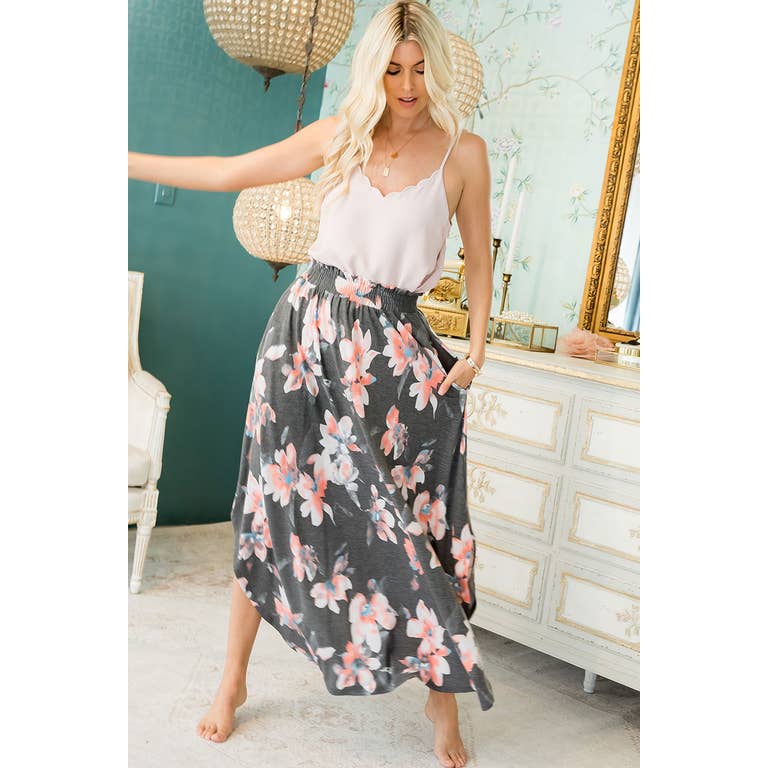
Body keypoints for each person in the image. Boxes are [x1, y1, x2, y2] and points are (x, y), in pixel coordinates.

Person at [129, 2, 494, 766]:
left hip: (393, 362)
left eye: (419, 69)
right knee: (269, 505)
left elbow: (479, 258)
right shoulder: (339, 137)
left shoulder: (464, 154)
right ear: (372, 70)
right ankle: (231, 681)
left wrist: (480, 343)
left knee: (415, 525)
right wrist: (120, 160)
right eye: (391, 69)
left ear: (437, 69)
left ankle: (443, 705)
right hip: (301, 345)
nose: (406, 85)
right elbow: (228, 171)